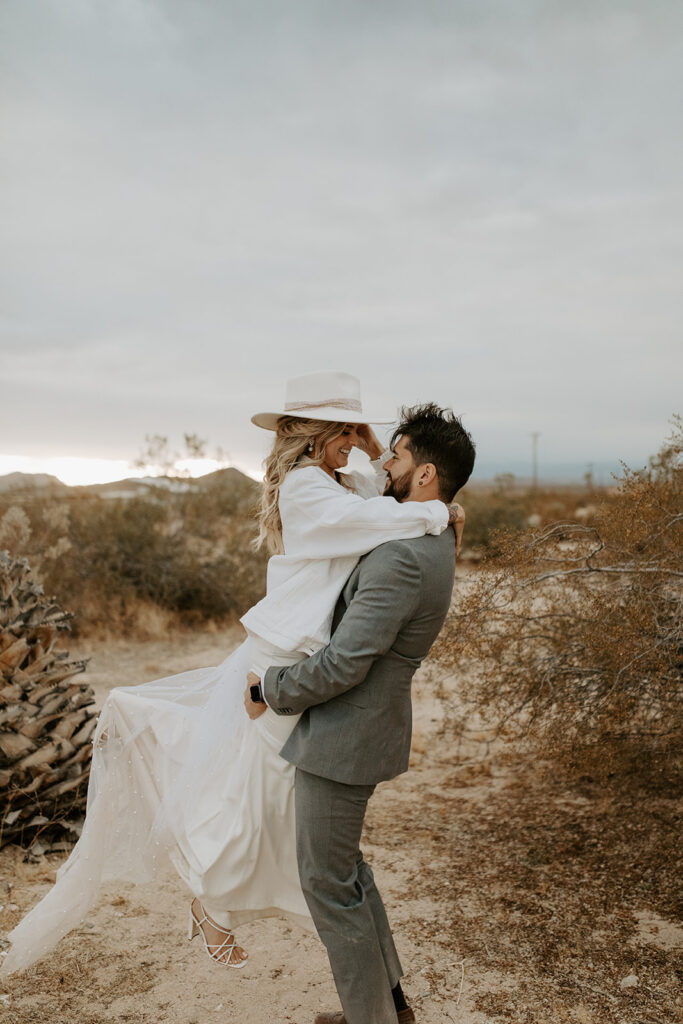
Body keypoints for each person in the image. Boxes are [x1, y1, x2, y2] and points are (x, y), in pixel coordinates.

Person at [1, 371, 465, 976]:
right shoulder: (305, 488)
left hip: (299, 647)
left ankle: (215, 904)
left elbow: (383, 482)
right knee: (265, 792)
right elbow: (381, 520)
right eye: (346, 432)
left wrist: (373, 448)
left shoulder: (336, 474)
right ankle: (212, 897)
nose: (358, 444)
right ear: (322, 434)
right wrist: (441, 515)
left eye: (359, 432)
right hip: (283, 651)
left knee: (261, 789)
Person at [245, 400, 476, 1024]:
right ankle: (387, 1006)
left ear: (424, 475)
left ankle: (370, 1018)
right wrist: (380, 453)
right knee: (347, 872)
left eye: (397, 456)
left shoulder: (404, 555)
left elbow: (346, 663)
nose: (385, 463)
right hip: (361, 727)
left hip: (347, 734)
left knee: (327, 884)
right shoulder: (424, 533)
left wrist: (271, 687)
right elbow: (377, 498)